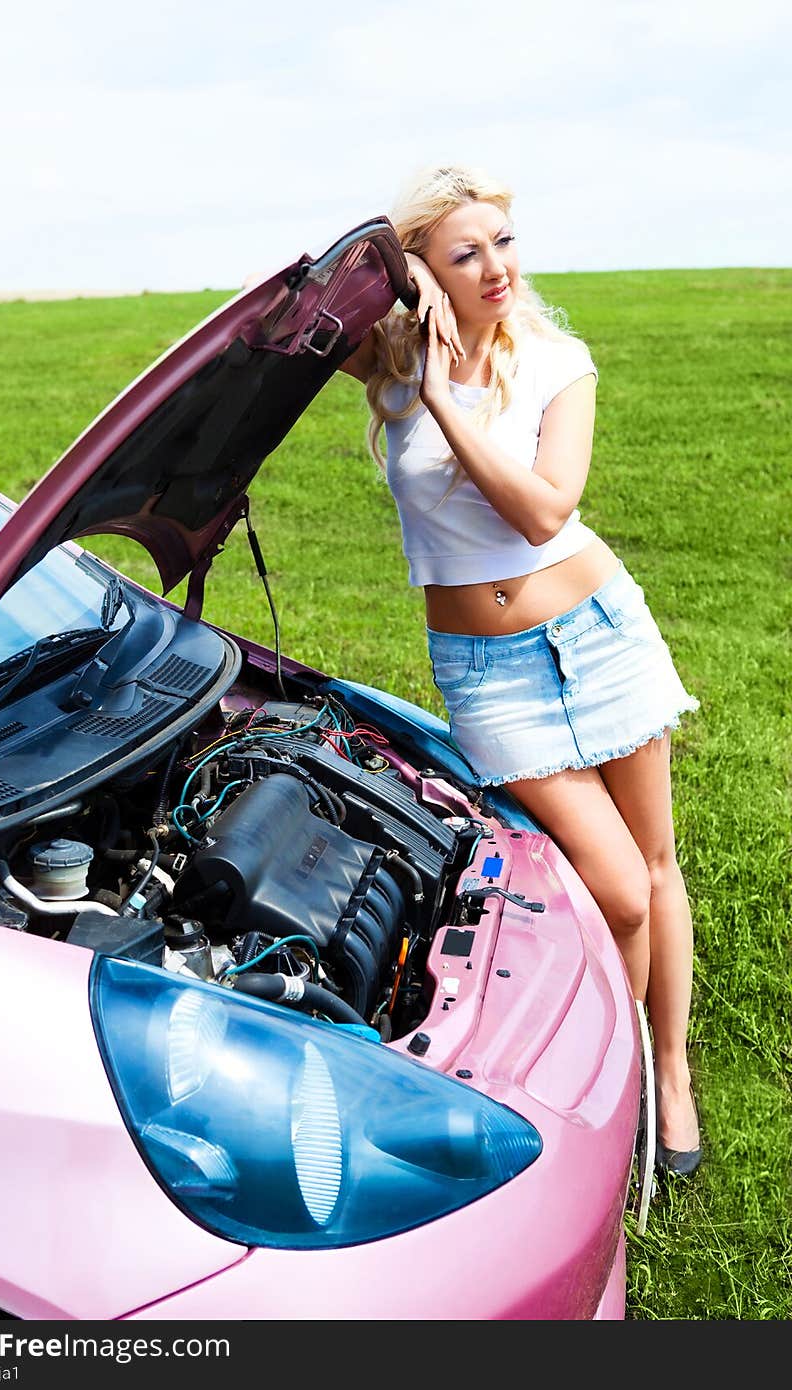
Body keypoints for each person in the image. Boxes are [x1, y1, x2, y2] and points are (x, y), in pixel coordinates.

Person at [340, 164, 702, 1176]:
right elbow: (298, 317)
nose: (494, 266)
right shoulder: (390, 359)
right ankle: (607, 1100)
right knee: (617, 890)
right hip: (487, 672)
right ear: (430, 272)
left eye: (502, 241)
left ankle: (665, 1077)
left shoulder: (557, 362)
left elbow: (541, 512)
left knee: (654, 867)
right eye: (464, 252)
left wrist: (451, 406)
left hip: (593, 632)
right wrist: (399, 276)